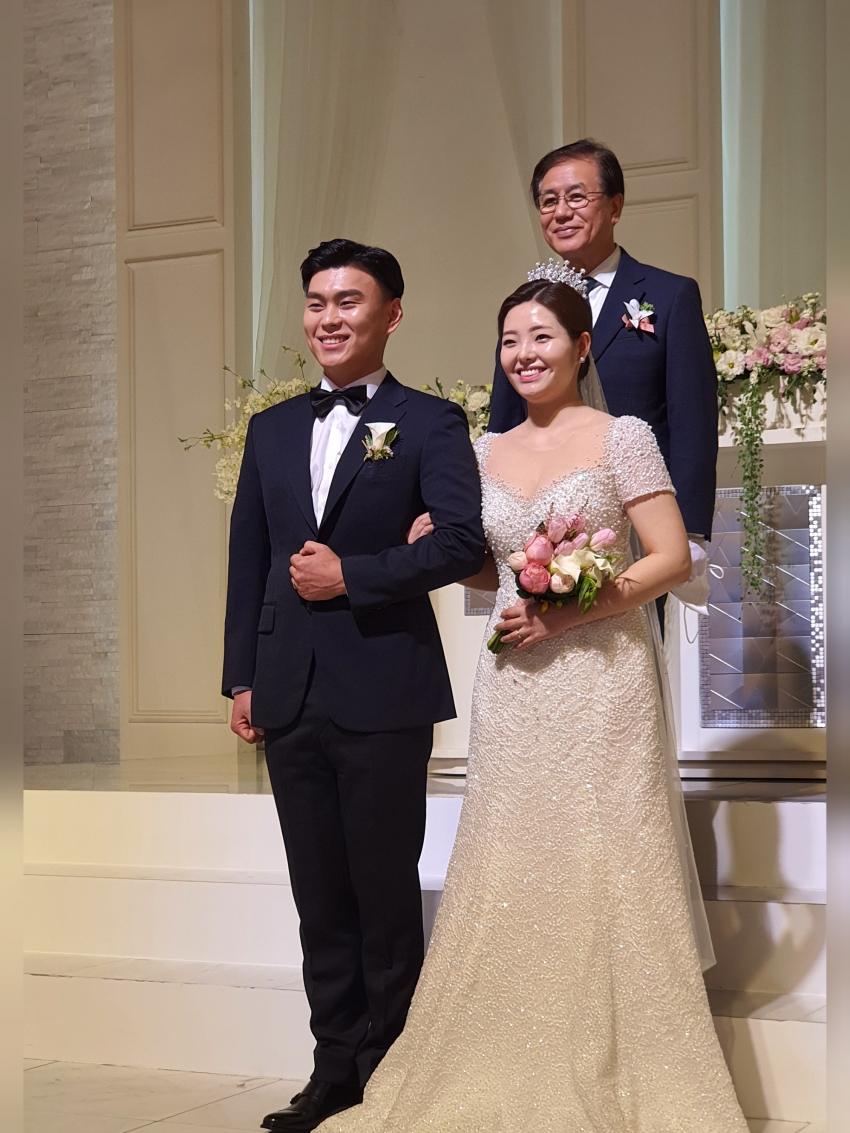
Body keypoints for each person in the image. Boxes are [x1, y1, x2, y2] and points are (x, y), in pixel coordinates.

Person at [317, 276, 747, 1131]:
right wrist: (442, 549)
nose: (524, 354)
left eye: (542, 336)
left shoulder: (622, 436)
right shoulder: (483, 450)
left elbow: (670, 556)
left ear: (581, 347)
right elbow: (495, 568)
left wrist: (571, 610)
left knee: (606, 853)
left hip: (603, 678)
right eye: (511, 339)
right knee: (512, 854)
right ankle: (506, 1048)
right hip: (514, 682)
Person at [222, 238, 486, 1132]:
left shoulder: (431, 422)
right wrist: (241, 676)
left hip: (384, 686)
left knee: (383, 892)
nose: (329, 317)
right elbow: (250, 558)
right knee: (319, 895)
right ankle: (332, 1068)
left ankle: (393, 1072)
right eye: (317, 302)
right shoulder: (270, 428)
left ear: (392, 314)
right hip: (287, 687)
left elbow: (461, 543)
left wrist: (355, 575)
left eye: (349, 301)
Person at [488, 139, 718, 616]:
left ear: (615, 206)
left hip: (636, 526)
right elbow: (506, 419)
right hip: (539, 535)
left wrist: (690, 530)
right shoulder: (525, 309)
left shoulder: (668, 295)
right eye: (548, 201)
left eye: (577, 197)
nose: (561, 212)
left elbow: (692, 418)